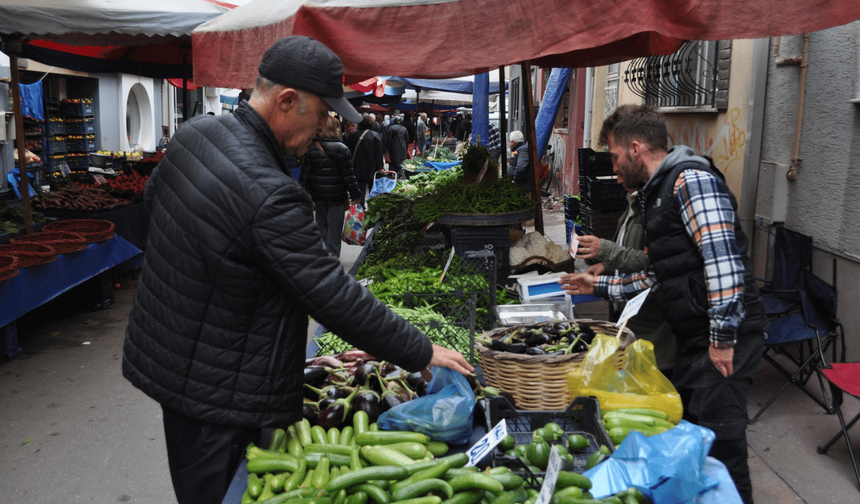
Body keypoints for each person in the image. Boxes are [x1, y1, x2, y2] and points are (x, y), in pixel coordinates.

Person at [122, 36, 473, 504]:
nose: (328, 126)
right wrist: (420, 349)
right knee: (219, 489)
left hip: (171, 357)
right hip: (219, 387)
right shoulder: (269, 191)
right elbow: (332, 294)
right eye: (324, 113)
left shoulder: (193, 135)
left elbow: (154, 209)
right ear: (287, 100)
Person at [559, 104, 766, 504]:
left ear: (636, 149)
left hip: (721, 336)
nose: (613, 166)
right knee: (687, 434)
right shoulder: (656, 195)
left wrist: (723, 338)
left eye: (616, 156)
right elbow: (655, 276)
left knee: (722, 442)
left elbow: (723, 261)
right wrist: (596, 284)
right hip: (694, 335)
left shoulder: (689, 181)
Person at [575, 183, 676, 377]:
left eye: (616, 157)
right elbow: (628, 246)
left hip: (650, 325)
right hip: (627, 316)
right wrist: (607, 266)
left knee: (652, 381)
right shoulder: (633, 202)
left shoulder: (657, 208)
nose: (615, 170)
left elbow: (655, 263)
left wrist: (606, 251)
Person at [300, 115, 362, 256]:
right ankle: (332, 258)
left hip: (318, 195)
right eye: (338, 127)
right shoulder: (342, 149)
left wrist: (302, 191)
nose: (339, 130)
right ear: (333, 129)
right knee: (334, 227)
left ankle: (321, 255)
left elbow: (305, 174)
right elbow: (349, 177)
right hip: (336, 195)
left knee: (321, 224)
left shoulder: (311, 148)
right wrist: (356, 195)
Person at [345, 115, 384, 207]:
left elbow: (349, 151)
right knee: (372, 188)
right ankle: (372, 209)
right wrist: (380, 167)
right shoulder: (375, 135)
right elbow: (378, 153)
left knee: (360, 188)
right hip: (372, 167)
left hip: (357, 166)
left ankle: (360, 210)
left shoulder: (353, 135)